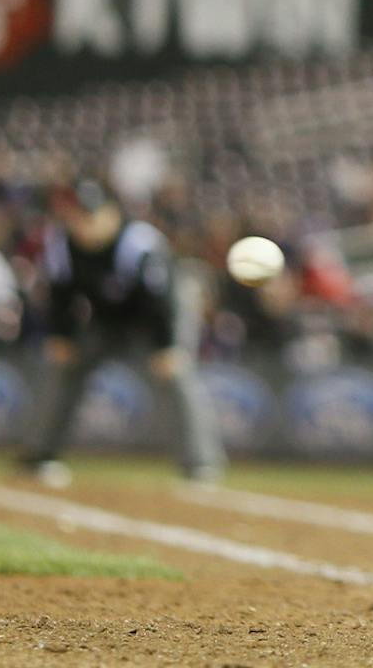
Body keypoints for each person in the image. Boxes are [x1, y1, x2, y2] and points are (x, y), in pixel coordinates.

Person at [18, 180, 225, 486]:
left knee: (178, 375)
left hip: (156, 319)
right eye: (77, 215)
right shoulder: (62, 244)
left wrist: (168, 346)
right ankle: (40, 454)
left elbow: (163, 299)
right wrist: (60, 335)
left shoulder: (138, 242)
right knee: (62, 367)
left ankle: (201, 463)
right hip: (105, 321)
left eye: (90, 215)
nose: (83, 223)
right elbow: (60, 296)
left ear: (111, 215)